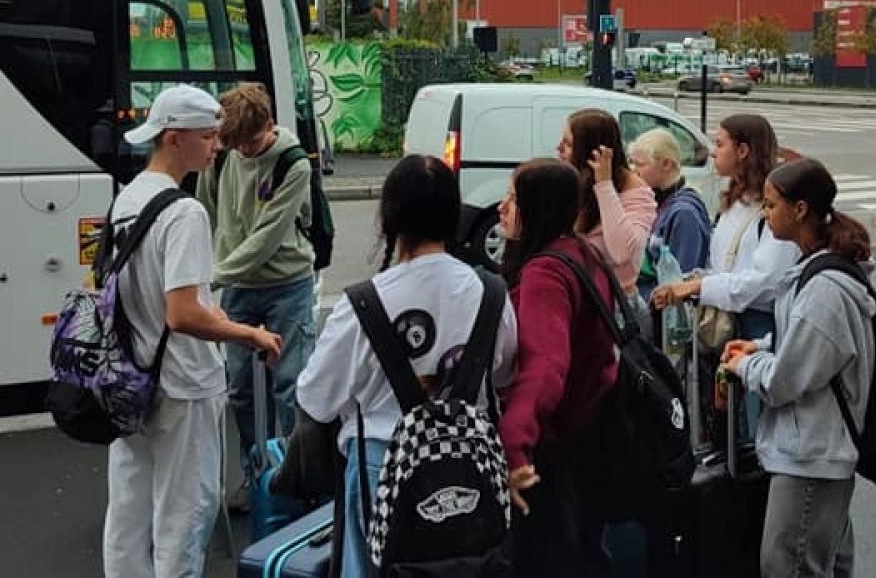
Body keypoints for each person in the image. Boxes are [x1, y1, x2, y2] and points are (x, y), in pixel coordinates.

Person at [296, 155, 517, 578]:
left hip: (381, 463)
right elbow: (503, 374)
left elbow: (316, 398)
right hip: (474, 463)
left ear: (390, 216)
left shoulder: (363, 304)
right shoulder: (490, 294)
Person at [103, 84, 284, 578]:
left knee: (129, 506)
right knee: (187, 510)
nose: (217, 147)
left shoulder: (128, 198)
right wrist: (248, 334)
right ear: (174, 137)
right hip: (182, 381)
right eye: (208, 137)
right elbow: (183, 312)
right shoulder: (184, 213)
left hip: (130, 374)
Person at [723, 157, 876, 577]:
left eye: (771, 205)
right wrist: (760, 346)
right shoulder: (819, 270)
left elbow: (786, 380)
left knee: (789, 566)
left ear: (801, 209)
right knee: (825, 562)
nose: (765, 214)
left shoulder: (823, 288)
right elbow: (811, 347)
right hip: (818, 446)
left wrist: (747, 363)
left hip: (811, 451)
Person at [497, 159, 620, 577]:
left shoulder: (545, 272)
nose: (501, 207)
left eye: (513, 199)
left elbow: (544, 366)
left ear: (537, 207)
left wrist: (515, 445)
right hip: (593, 434)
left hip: (553, 452)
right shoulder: (580, 251)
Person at [196, 82, 316, 497]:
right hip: (237, 286)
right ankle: (255, 473)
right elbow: (206, 213)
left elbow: (266, 238)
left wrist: (212, 276)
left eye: (251, 142)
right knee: (240, 389)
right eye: (235, 145)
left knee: (291, 385)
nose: (244, 152)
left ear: (269, 124)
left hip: (288, 282)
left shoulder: (294, 164)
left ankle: (294, 476)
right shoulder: (222, 158)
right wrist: (208, 264)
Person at [650, 114, 800, 342]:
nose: (712, 152)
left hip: (756, 325)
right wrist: (690, 283)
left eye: (720, 144)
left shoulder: (772, 210)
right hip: (726, 318)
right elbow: (723, 266)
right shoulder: (734, 202)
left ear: (742, 151)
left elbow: (768, 280)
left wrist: (698, 286)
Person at [557, 109, 656, 298]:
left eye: (568, 144)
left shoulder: (635, 192)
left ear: (592, 152)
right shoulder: (574, 184)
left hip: (613, 305)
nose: (559, 149)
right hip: (574, 297)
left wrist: (604, 185)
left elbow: (622, 252)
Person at [627, 127, 712, 301]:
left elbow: (683, 277)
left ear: (666, 164)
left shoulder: (684, 214)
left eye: (640, 164)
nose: (634, 171)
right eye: (632, 163)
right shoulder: (656, 202)